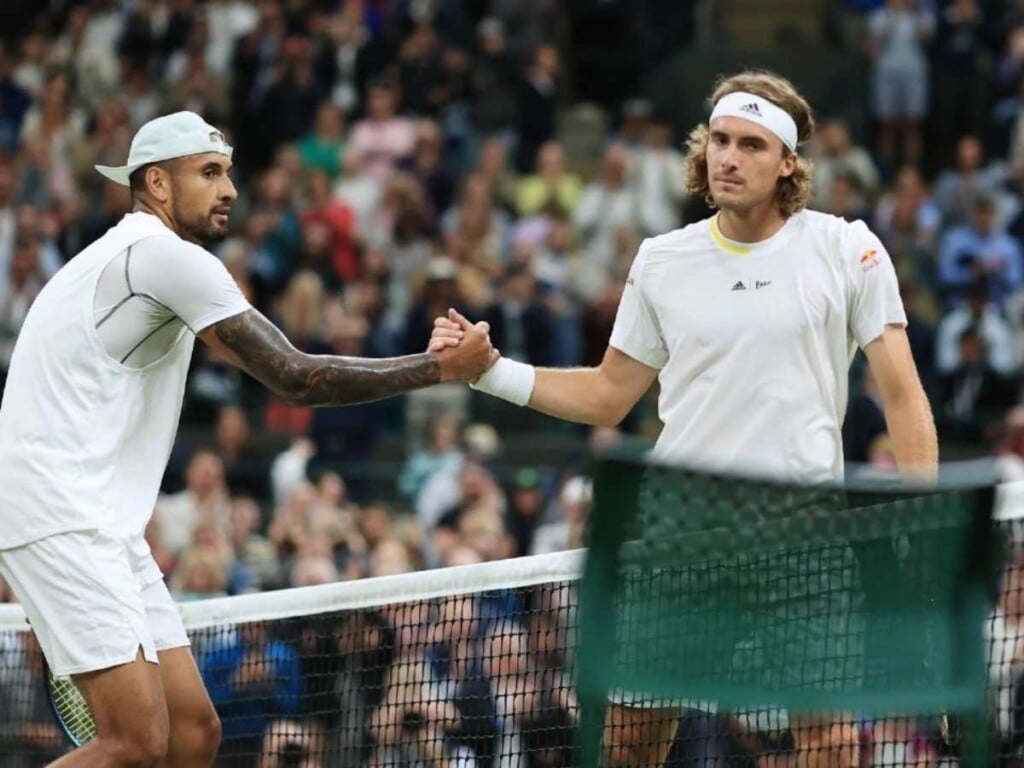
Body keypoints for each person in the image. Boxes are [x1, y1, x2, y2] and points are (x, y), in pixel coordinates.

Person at [433, 71, 937, 766]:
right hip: (678, 537)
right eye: (720, 141)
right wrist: (490, 372)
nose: (729, 158)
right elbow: (611, 394)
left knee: (826, 737)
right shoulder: (663, 260)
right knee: (629, 743)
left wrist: (927, 532)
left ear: (788, 162)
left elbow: (905, 397)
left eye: (752, 145)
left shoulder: (847, 248)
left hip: (804, 537)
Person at [0, 111, 494, 768]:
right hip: (57, 511)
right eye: (209, 173)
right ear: (157, 183)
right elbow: (297, 377)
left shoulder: (131, 259)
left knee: (193, 731)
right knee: (134, 743)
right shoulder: (160, 256)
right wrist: (439, 369)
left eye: (228, 171)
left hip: (100, 523)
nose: (229, 188)